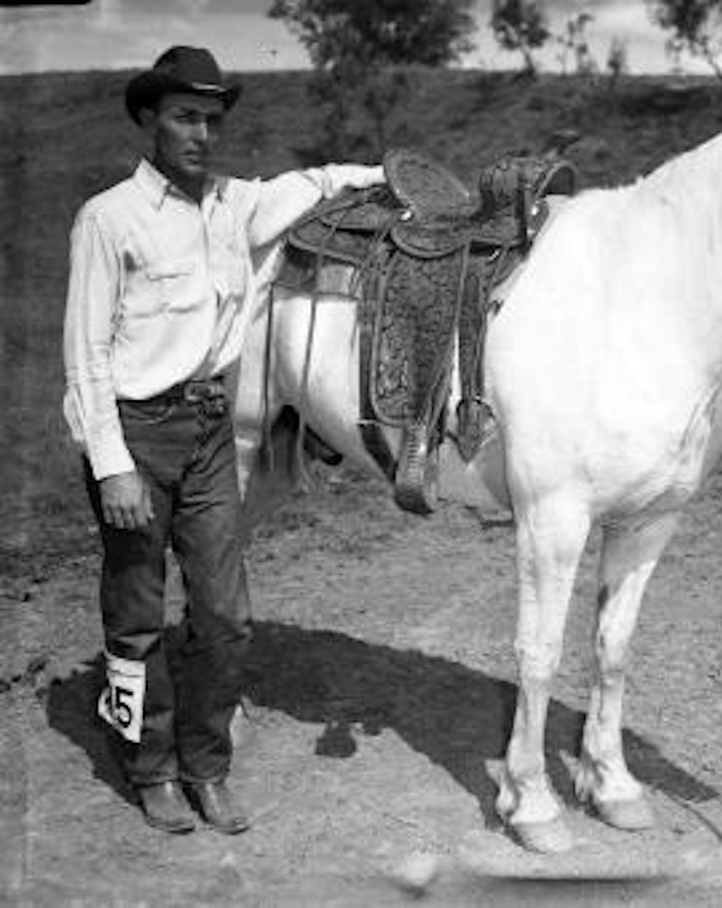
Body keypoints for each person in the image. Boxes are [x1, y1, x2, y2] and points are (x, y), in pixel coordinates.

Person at [62, 45, 386, 834]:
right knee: (137, 620)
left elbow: (308, 185)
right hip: (136, 436)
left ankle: (206, 767)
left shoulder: (233, 205)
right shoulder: (109, 219)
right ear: (150, 119)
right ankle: (151, 769)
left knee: (224, 616)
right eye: (184, 116)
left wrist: (382, 173)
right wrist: (112, 469)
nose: (201, 133)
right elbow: (86, 356)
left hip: (209, 431)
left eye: (211, 119)